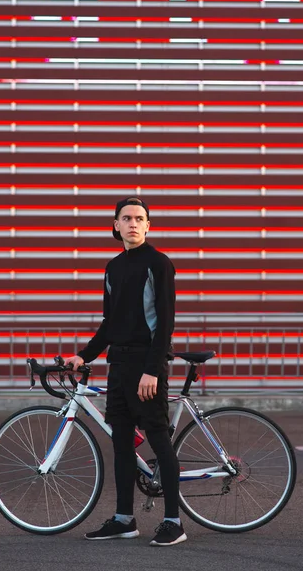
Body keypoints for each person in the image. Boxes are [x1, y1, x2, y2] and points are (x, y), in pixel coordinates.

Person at [65, 196, 187, 547]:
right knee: (120, 444)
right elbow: (109, 323)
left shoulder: (159, 264)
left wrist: (153, 369)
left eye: (140, 218)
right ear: (115, 225)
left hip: (146, 367)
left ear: (148, 226)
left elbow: (165, 323)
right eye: (126, 218)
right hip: (117, 366)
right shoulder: (113, 267)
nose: (133, 223)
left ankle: (173, 521)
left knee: (159, 439)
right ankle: (123, 519)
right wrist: (83, 355)